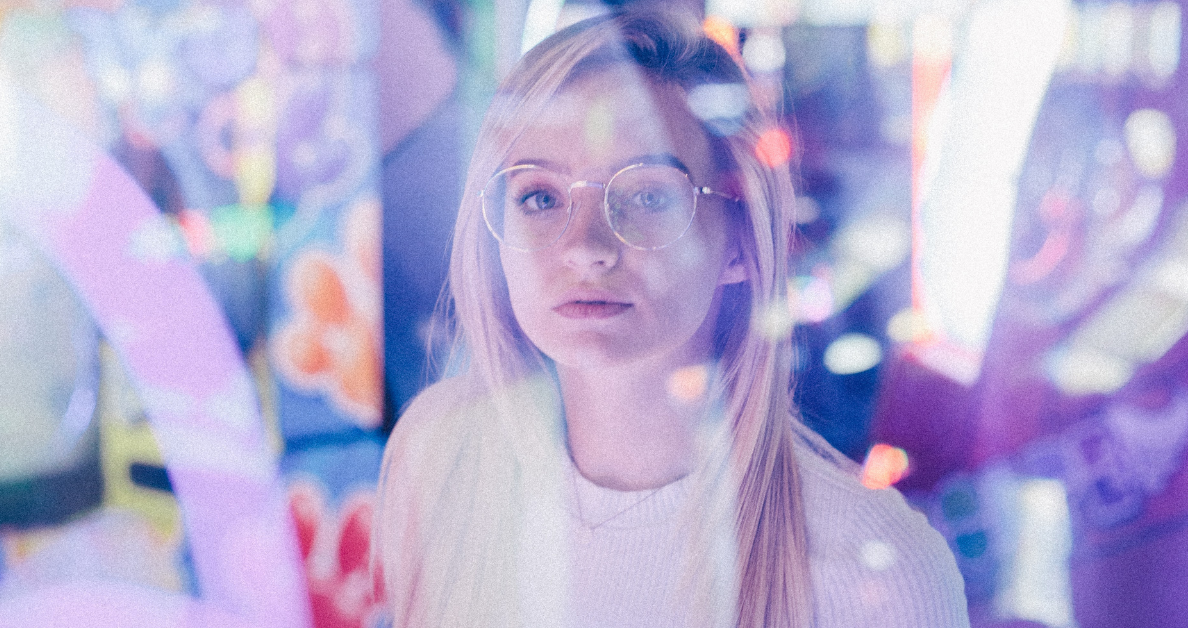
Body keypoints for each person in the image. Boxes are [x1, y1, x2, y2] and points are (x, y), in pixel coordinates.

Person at [375, 9, 969, 628]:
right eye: (540, 196)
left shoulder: (873, 571)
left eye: (648, 195)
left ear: (740, 239)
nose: (585, 247)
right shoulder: (440, 455)